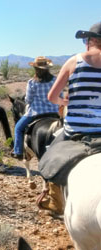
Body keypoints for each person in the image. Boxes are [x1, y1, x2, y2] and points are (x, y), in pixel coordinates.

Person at [38, 21, 101, 215]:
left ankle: (56, 200)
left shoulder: (75, 61)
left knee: (51, 154)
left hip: (76, 130)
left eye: (85, 40)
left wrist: (64, 103)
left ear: (91, 40)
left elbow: (51, 97)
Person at [10, 56, 59, 159]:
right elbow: (60, 97)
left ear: (35, 69)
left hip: (36, 113)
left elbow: (28, 100)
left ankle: (18, 151)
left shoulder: (32, 82)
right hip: (54, 112)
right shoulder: (55, 80)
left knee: (18, 128)